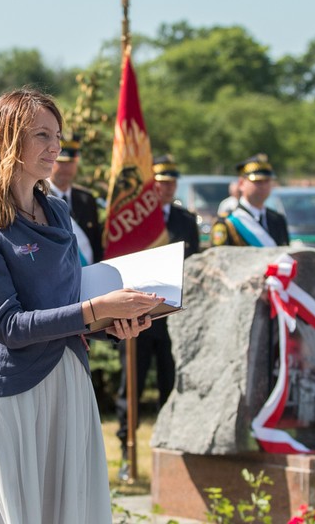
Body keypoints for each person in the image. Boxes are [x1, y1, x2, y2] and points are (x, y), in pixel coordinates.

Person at [0, 87, 164, 523]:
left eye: (58, 136)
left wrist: (111, 323)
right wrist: (96, 309)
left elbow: (70, 304)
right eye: (42, 135)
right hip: (13, 395)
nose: (56, 148)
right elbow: (8, 326)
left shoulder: (59, 212)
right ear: (7, 139)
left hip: (70, 385)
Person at [115, 154, 200, 481]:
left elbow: (193, 264)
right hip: (137, 315)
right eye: (161, 182)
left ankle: (171, 455)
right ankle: (127, 451)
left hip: (173, 319)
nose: (166, 188)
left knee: (171, 384)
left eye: (171, 182)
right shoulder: (135, 218)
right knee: (131, 386)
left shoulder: (185, 220)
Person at [211, 153, 290, 247]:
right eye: (257, 181)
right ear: (241, 184)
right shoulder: (227, 221)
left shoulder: (277, 219)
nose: (263, 186)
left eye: (267, 181)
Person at [48, 135, 103, 265]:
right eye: (61, 162)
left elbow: (96, 244)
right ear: (50, 161)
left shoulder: (86, 199)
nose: (66, 168)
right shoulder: (39, 198)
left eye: (71, 162)